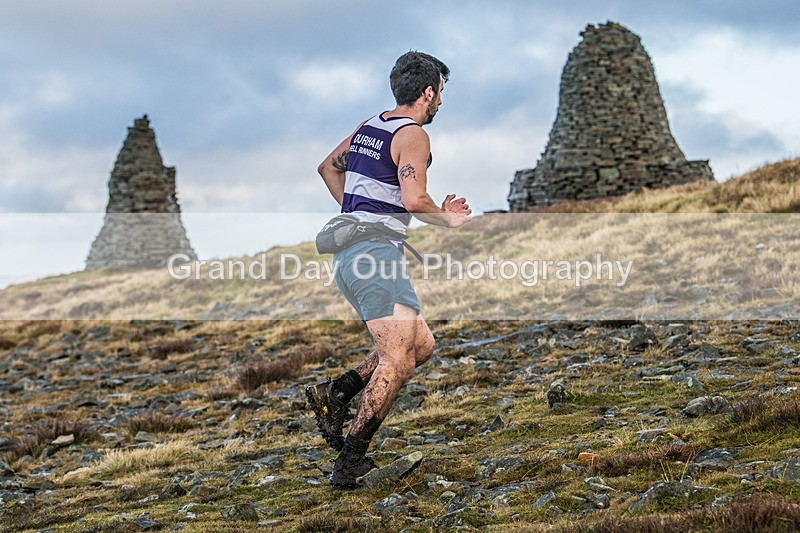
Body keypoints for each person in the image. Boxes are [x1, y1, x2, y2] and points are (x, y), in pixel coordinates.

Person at [307, 51, 472, 488]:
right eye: (440, 93)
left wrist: (357, 216)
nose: (440, 103)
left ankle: (337, 392)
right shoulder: (413, 134)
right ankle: (349, 463)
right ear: (428, 91)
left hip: (352, 256)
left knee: (420, 344)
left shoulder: (369, 127)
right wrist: (448, 218)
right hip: (374, 258)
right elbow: (416, 200)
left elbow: (327, 168)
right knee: (396, 361)